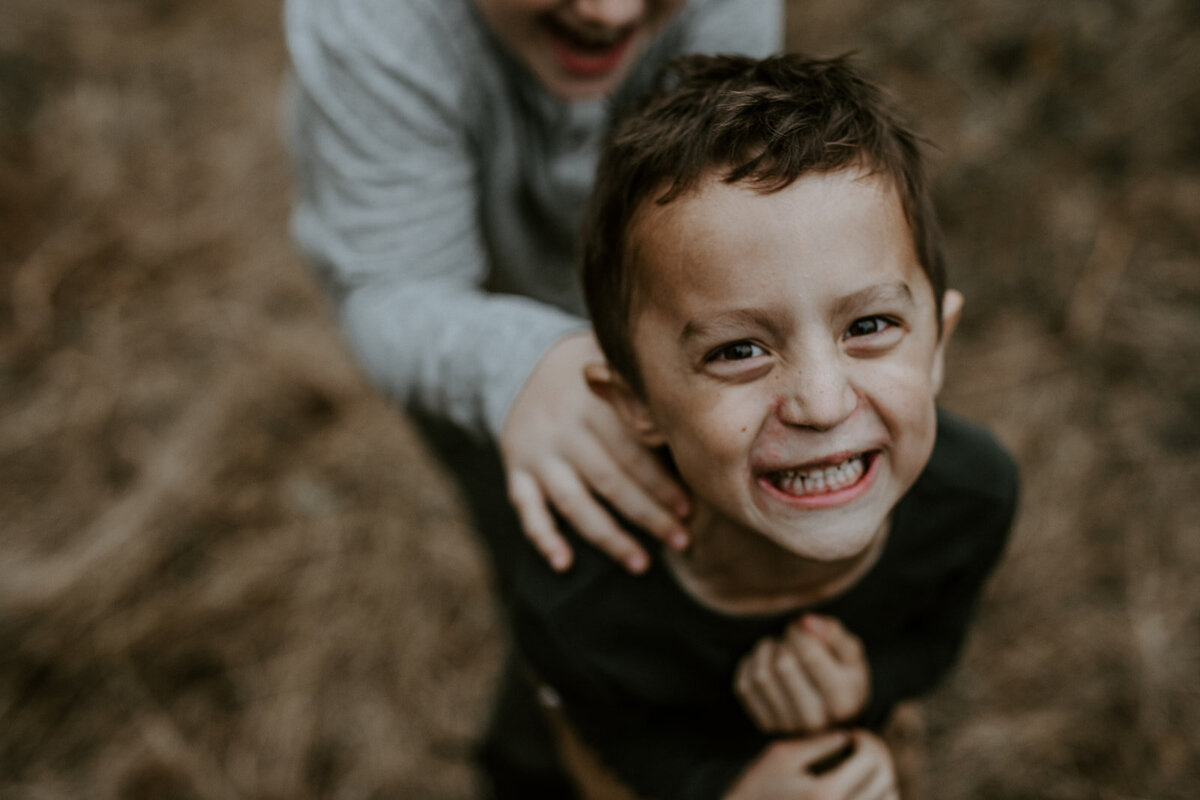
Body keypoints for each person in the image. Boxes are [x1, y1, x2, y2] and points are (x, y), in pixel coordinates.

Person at [283, 1, 783, 795]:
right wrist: (513, 369)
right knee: (566, 575)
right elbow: (392, 286)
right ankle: (531, 770)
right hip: (469, 338)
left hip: (651, 316)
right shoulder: (373, 22)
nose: (609, 12)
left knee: (699, 563)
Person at [495, 52, 1019, 799]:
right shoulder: (583, 600)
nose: (822, 403)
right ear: (635, 404)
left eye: (869, 324)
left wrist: (865, 688)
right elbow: (615, 743)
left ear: (939, 343)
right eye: (739, 349)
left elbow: (933, 643)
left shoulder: (974, 497)